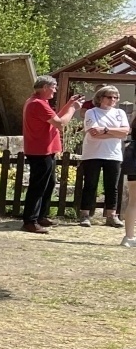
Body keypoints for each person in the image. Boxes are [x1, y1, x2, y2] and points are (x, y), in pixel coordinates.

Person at [21, 74, 80, 233]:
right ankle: (30, 221)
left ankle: (40, 216)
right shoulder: (38, 104)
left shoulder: (38, 102)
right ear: (45, 87)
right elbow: (60, 124)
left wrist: (69, 104)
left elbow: (55, 118)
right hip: (40, 151)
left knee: (49, 184)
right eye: (53, 88)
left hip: (45, 149)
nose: (55, 91)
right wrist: (73, 110)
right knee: (38, 186)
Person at [76, 86, 128, 227]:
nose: (113, 100)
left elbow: (125, 132)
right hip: (93, 153)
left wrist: (105, 130)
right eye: (109, 97)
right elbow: (93, 132)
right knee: (90, 185)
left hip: (113, 154)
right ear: (100, 98)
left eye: (115, 97)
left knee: (112, 186)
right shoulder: (91, 112)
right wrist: (114, 132)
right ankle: (85, 215)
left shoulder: (120, 113)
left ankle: (111, 215)